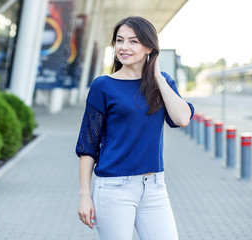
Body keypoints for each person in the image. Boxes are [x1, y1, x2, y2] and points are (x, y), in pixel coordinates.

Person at [75, 16, 194, 240]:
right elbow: (88, 145)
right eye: (120, 41)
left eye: (133, 41)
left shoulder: (162, 82)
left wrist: (157, 76)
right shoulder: (103, 86)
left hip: (155, 187)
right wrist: (84, 196)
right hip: (114, 188)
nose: (124, 47)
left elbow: (182, 119)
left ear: (149, 46)